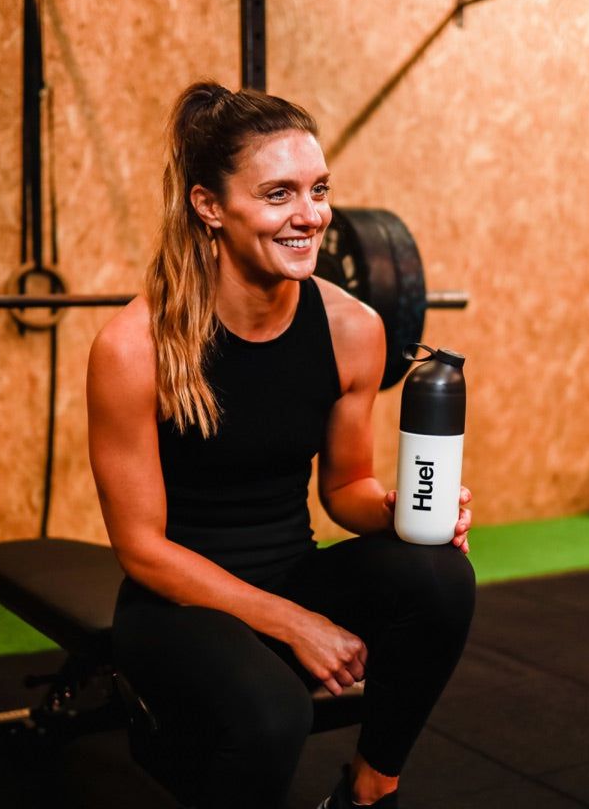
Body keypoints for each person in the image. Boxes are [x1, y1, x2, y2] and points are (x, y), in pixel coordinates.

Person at [87, 81, 475, 809]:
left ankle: (368, 791)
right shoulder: (134, 347)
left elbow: (344, 488)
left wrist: (404, 513)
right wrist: (293, 623)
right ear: (210, 206)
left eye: (319, 189)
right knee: (274, 714)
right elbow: (141, 548)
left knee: (441, 577)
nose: (311, 216)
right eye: (278, 194)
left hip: (292, 570)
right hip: (174, 608)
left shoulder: (352, 328)